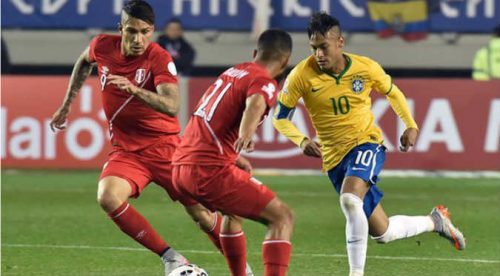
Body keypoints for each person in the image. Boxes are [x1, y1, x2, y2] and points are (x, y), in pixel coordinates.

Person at [273, 12, 466, 276]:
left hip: (366, 143)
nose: (318, 54)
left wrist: (410, 124)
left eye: (324, 47)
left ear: (340, 42)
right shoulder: (300, 76)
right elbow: (280, 118)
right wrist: (301, 139)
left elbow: (393, 92)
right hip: (334, 159)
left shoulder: (365, 68)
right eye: (314, 48)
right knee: (382, 232)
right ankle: (435, 221)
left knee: (351, 199)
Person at [49, 1, 234, 275]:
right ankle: (172, 258)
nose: (138, 39)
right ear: (120, 29)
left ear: (153, 30)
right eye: (132, 31)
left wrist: (134, 89)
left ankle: (243, 269)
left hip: (166, 148)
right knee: (108, 197)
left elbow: (172, 105)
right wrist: (67, 104)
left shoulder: (158, 58)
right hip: (127, 152)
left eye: (145, 32)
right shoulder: (102, 45)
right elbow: (83, 61)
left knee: (202, 215)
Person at [172, 29, 294, 276]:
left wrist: (234, 156)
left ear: (254, 53)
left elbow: (208, 116)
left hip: (181, 166)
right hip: (209, 170)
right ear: (285, 61)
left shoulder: (233, 71)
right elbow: (256, 103)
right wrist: (246, 134)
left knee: (233, 213)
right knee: (282, 218)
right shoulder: (264, 81)